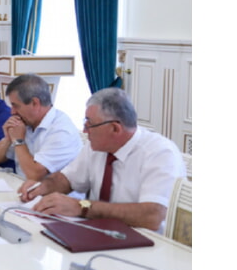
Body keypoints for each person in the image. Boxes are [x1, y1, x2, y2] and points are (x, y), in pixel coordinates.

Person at [18, 87, 186, 232]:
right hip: (98, 232)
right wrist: (42, 187)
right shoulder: (96, 147)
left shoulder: (160, 153)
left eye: (89, 124)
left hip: (144, 242)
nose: (85, 131)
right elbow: (67, 179)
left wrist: (82, 207)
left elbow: (152, 216)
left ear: (115, 128)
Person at [0, 74, 82, 180]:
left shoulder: (61, 131)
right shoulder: (26, 123)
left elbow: (34, 175)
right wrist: (8, 138)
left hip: (48, 190)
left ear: (35, 103)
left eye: (16, 106)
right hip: (21, 186)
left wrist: (18, 141)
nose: (12, 112)